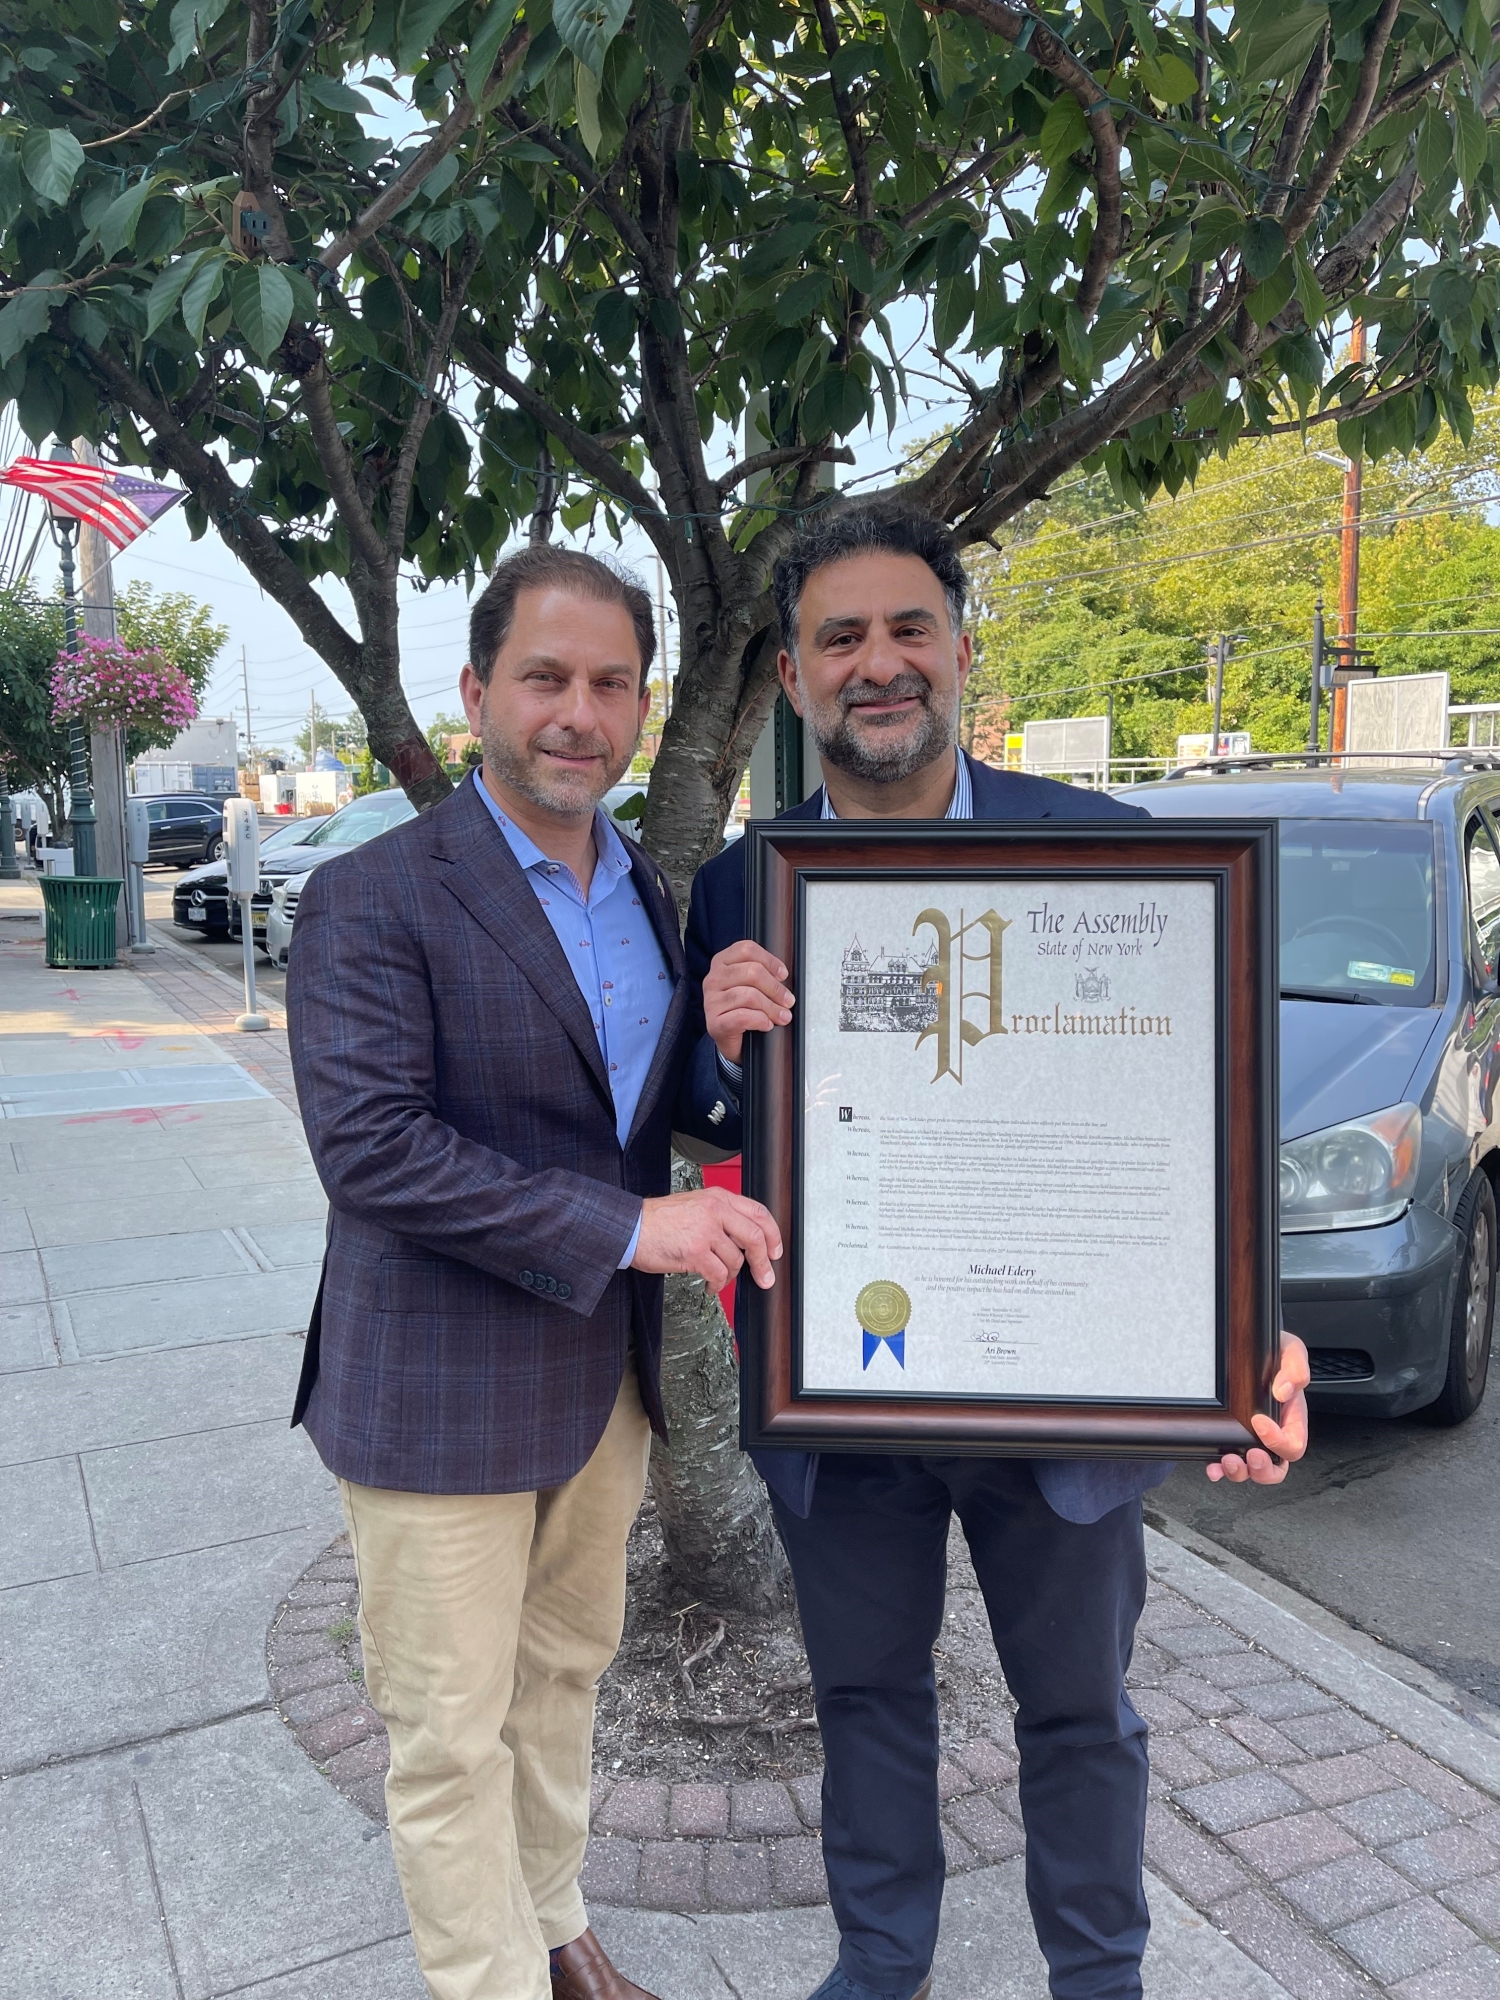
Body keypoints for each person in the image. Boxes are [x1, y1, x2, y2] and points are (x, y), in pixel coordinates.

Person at [677, 506, 1310, 2000]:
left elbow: (1190, 1124)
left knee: (1082, 1713)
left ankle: (1100, 1976)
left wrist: (1246, 1341)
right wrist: (720, 1049)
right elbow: (710, 1125)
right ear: (792, 677)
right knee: (866, 1698)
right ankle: (880, 1963)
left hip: (1064, 1386)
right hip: (847, 1384)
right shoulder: (739, 885)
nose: (879, 664)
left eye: (909, 629)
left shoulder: (1120, 856)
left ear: (962, 651)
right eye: (840, 638)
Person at [286, 545, 782, 2000]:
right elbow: (372, 1150)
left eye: (612, 684)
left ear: (642, 708)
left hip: (599, 1385)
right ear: (476, 692)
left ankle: (556, 1927)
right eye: (546, 677)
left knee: (562, 1682)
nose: (580, 713)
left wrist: (724, 1052)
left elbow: (654, 1111)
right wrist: (635, 1231)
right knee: (448, 1737)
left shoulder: (646, 888)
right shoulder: (374, 894)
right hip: (434, 1390)